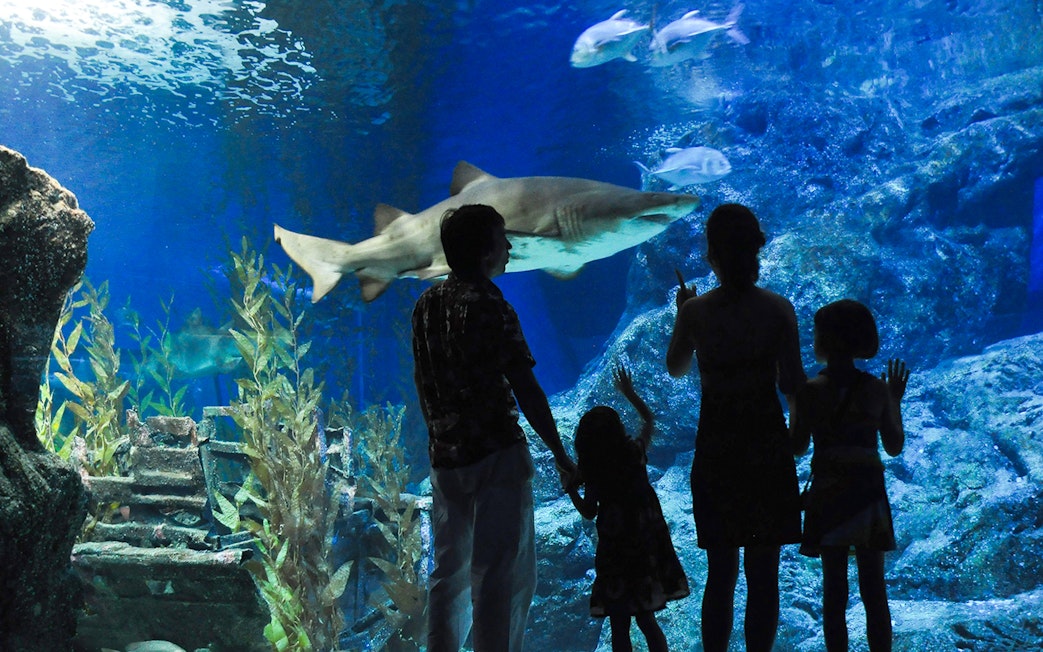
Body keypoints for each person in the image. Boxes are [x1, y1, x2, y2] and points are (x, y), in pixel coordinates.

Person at [411, 203, 578, 652]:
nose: (509, 246)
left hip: (446, 461)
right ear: (485, 252)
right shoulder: (490, 303)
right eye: (502, 238)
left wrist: (438, 438)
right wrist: (561, 454)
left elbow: (423, 380)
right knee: (500, 575)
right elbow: (526, 387)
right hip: (496, 457)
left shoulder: (425, 304)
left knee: (448, 573)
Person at [665, 203, 805, 652]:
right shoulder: (778, 310)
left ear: (712, 255)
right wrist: (798, 440)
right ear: (755, 249)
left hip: (718, 450)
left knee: (720, 572)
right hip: (767, 446)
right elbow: (793, 385)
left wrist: (682, 312)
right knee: (764, 572)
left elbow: (675, 366)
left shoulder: (696, 313)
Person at [790, 299, 909, 652]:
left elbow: (797, 446)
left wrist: (794, 401)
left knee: (834, 592)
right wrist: (894, 400)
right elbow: (894, 445)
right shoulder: (876, 389)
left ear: (823, 339)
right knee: (874, 589)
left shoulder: (810, 391)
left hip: (829, 493)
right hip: (868, 493)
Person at [567, 365, 690, 652]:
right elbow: (648, 421)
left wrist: (571, 487)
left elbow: (588, 510)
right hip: (643, 556)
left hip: (614, 561)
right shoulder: (633, 454)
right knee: (648, 623)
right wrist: (629, 394)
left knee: (619, 627)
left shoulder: (596, 472)